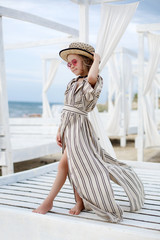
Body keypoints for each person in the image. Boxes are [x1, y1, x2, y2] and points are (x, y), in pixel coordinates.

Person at [33, 42, 144, 223]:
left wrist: (97, 59)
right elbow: (67, 109)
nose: (70, 67)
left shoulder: (93, 80)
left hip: (79, 129)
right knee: (73, 167)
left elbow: (91, 78)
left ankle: (49, 201)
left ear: (87, 62)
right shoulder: (72, 83)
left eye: (74, 62)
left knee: (65, 165)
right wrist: (60, 130)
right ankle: (79, 202)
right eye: (68, 64)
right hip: (68, 127)